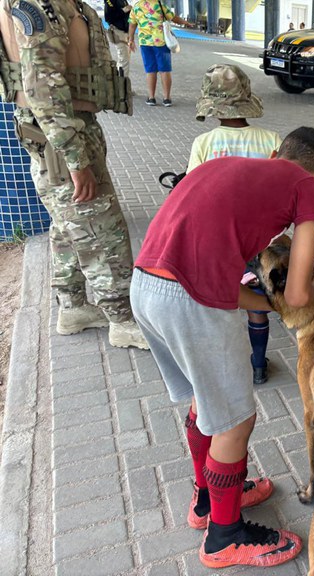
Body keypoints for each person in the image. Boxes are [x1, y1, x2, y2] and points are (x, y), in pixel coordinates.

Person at [130, 127, 314, 569]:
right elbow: (300, 294)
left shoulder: (224, 167)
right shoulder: (308, 188)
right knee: (235, 420)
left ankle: (208, 498)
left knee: (206, 403)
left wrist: (267, 304)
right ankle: (224, 536)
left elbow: (223, 279)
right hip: (189, 302)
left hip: (146, 287)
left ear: (277, 152)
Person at [1, 0, 148, 349]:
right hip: (62, 137)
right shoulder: (37, 5)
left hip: (69, 130)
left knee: (69, 226)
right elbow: (42, 88)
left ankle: (73, 307)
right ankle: (122, 320)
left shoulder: (63, 4)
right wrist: (76, 159)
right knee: (103, 230)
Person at [188, 63, 283, 384]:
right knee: (257, 305)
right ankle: (258, 365)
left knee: (220, 305)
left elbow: (192, 195)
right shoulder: (271, 139)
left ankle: (226, 370)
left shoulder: (204, 144)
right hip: (262, 244)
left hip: (218, 242)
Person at [127, 0, 193, 107]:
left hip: (145, 43)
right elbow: (174, 18)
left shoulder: (137, 7)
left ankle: (151, 97)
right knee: (165, 70)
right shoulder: (160, 5)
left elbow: (132, 25)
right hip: (161, 42)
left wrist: (130, 39)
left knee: (150, 70)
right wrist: (184, 22)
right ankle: (166, 98)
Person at [104, 0, 132, 77]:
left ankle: (120, 82)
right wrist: (124, 10)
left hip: (125, 31)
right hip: (118, 31)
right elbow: (108, 17)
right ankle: (123, 84)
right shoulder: (110, 1)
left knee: (124, 58)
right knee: (124, 59)